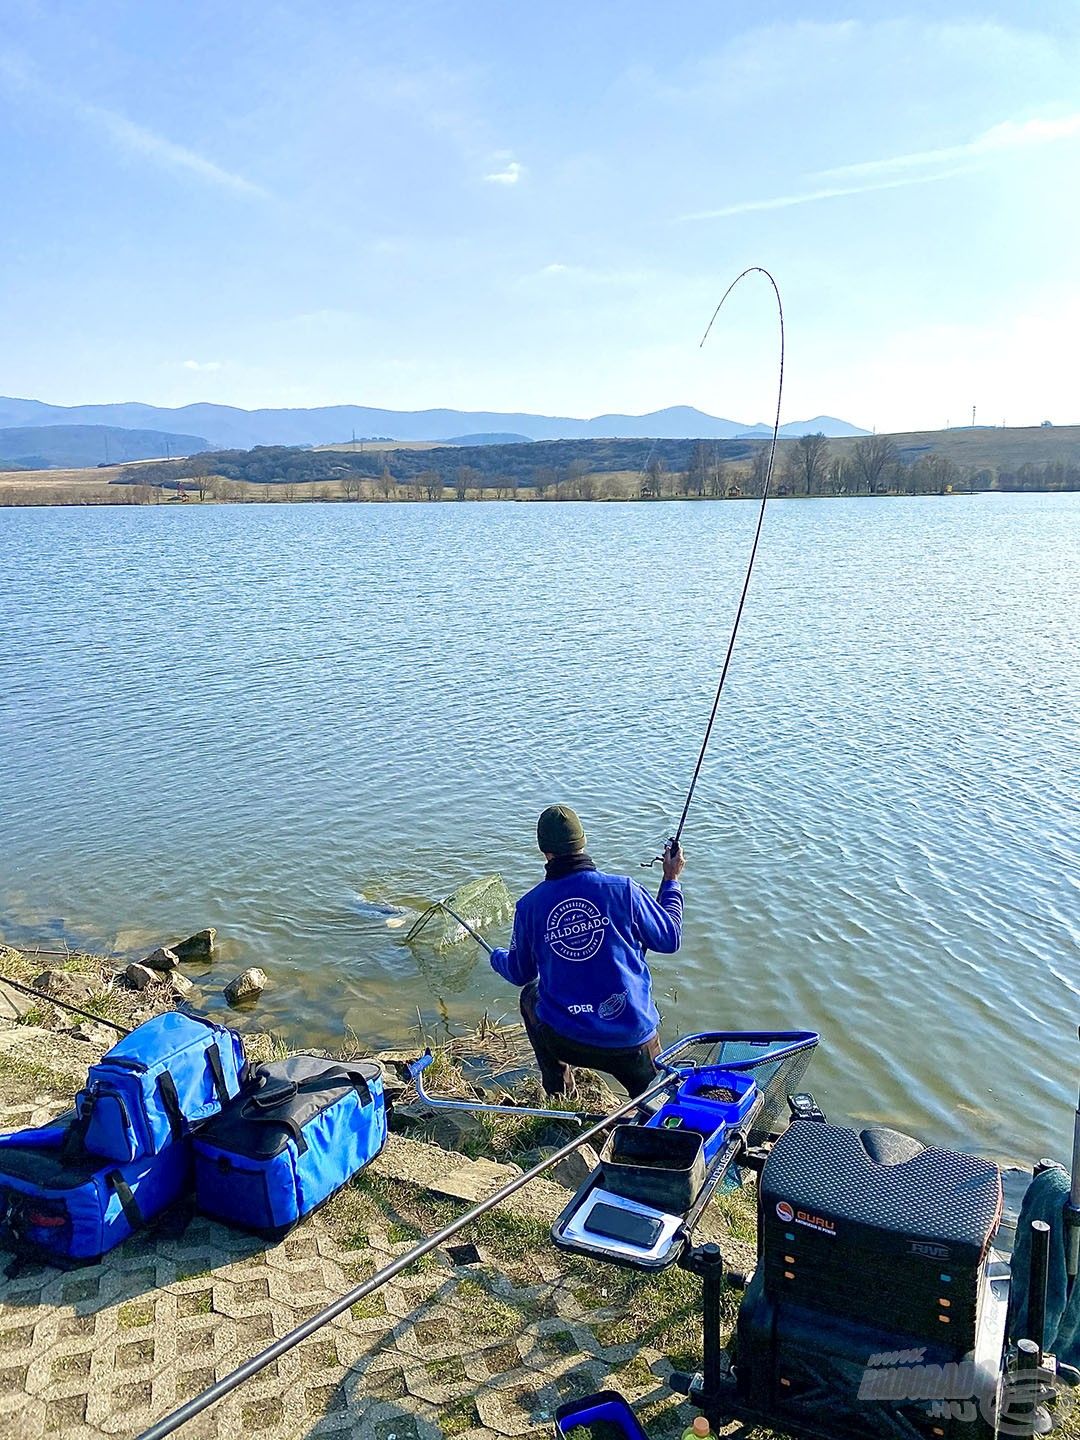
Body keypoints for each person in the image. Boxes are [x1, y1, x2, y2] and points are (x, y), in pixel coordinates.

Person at [488, 804, 684, 1098]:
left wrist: (497, 957)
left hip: (566, 1039)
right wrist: (671, 879)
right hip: (632, 1043)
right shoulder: (624, 890)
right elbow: (669, 938)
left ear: (545, 851)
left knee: (530, 994)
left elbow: (519, 973)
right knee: (660, 1104)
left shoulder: (529, 906)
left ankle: (558, 1091)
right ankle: (653, 1112)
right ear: (583, 843)